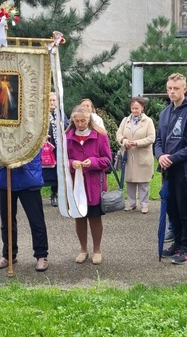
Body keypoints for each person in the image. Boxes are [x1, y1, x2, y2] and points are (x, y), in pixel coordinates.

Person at [154, 73, 187, 265]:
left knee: (185, 209)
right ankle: (176, 243)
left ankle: (186, 246)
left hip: (185, 169)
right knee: (172, 208)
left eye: (176, 88)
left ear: (184, 89)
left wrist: (172, 158)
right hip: (168, 169)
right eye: (169, 89)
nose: (172, 92)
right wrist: (160, 156)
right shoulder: (165, 112)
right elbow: (159, 140)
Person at [66, 105, 112, 265]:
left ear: (89, 119)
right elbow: (63, 160)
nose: (80, 124)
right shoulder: (67, 136)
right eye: (77, 121)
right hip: (76, 184)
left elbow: (107, 160)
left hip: (94, 184)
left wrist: (92, 162)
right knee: (79, 218)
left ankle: (97, 250)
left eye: (83, 121)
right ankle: (83, 249)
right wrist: (72, 163)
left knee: (94, 217)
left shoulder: (100, 135)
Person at [0, 154, 50, 272]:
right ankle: (8, 255)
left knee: (36, 220)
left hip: (28, 176)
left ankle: (41, 255)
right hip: (4, 177)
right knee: (6, 220)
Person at [116, 97, 156, 213]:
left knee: (143, 182)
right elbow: (118, 134)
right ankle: (132, 203)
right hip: (128, 156)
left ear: (142, 108)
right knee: (130, 181)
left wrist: (137, 143)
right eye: (132, 108)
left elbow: (151, 138)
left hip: (142, 156)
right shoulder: (125, 120)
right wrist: (124, 141)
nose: (134, 110)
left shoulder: (148, 121)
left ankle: (144, 204)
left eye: (137, 108)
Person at [43, 92, 67, 207]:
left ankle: (55, 193)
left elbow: (68, 125)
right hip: (46, 148)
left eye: (54, 100)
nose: (52, 103)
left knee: (58, 172)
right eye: (50, 100)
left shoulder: (61, 113)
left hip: (59, 148)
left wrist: (61, 126)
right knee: (46, 171)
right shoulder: (42, 114)